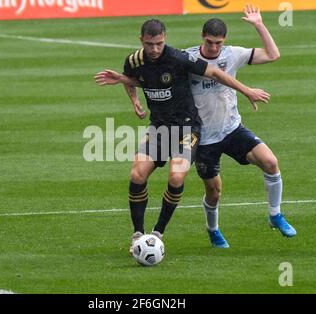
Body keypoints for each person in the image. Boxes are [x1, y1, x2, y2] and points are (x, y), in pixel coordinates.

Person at [94, 19, 270, 254]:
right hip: (159, 128)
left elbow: (215, 72)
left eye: (159, 43)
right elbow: (133, 78)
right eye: (149, 44)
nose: (154, 49)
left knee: (176, 176)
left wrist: (247, 90)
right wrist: (135, 101)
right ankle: (138, 234)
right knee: (137, 173)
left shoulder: (179, 58)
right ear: (141, 41)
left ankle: (157, 233)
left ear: (165, 38)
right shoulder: (134, 59)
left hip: (187, 128)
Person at [185, 4, 296, 249]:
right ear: (202, 38)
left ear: (224, 41)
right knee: (214, 192)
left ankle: (275, 215)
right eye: (210, 41)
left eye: (219, 43)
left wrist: (259, 25)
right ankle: (213, 231)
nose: (214, 47)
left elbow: (273, 55)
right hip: (204, 138)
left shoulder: (233, 54)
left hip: (232, 129)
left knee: (270, 162)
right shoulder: (189, 58)